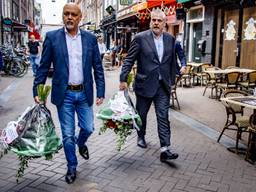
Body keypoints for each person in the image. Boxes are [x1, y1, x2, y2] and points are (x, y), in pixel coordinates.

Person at [32, 3, 105, 184]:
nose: (70, 17)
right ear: (62, 17)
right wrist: (37, 90)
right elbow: (42, 67)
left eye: (73, 14)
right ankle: (72, 166)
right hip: (64, 94)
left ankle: (82, 143)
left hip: (84, 92)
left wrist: (101, 91)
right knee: (67, 134)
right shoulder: (52, 38)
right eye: (66, 14)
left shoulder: (90, 39)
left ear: (80, 17)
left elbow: (98, 67)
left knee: (88, 127)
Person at [119, 8, 179, 162]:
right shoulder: (140, 38)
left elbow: (172, 61)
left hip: (162, 86)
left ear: (165, 23)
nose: (156, 23)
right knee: (142, 115)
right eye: (154, 20)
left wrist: (172, 81)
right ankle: (141, 136)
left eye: (159, 20)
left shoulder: (170, 39)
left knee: (163, 116)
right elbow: (129, 60)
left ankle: (165, 148)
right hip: (145, 84)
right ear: (150, 21)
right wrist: (123, 79)